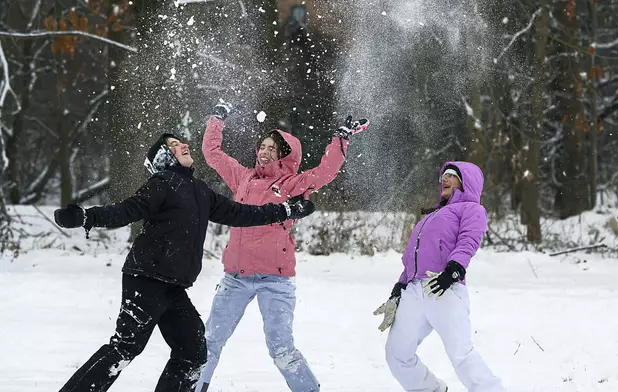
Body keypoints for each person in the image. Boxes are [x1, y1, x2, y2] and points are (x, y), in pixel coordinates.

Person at [53, 132, 315, 392]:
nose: (183, 145)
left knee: (193, 351)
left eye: (181, 142)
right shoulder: (162, 183)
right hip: (146, 279)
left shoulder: (200, 191)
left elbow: (241, 213)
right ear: (165, 157)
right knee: (125, 347)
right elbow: (127, 209)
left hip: (173, 288)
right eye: (174, 146)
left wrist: (286, 210)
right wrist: (87, 217)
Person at [193, 103, 369, 392]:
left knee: (281, 349)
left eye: (272, 149)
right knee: (209, 341)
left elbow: (325, 172)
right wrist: (217, 119)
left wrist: (340, 139)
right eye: (262, 146)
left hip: (275, 281)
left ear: (285, 155)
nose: (264, 152)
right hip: (235, 278)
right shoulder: (242, 177)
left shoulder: (291, 183)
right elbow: (212, 155)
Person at [374, 161, 505, 392]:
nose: (444, 179)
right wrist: (399, 286)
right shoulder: (431, 215)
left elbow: (468, 242)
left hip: (443, 286)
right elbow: (413, 257)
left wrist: (453, 270)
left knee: (461, 354)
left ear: (467, 182)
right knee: (396, 355)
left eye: (452, 175)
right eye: (443, 175)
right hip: (414, 290)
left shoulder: (472, 209)